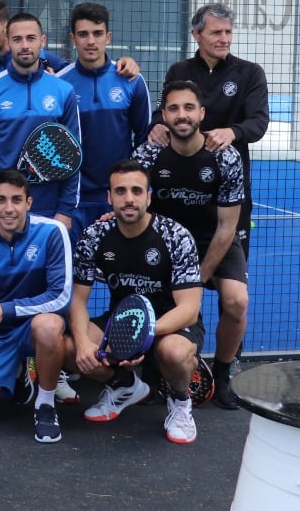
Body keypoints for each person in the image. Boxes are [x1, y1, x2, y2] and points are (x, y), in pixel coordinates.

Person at [69, 160, 204, 445]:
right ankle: (124, 386)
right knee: (68, 348)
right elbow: (78, 300)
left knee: (174, 353)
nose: (128, 198)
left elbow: (189, 310)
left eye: (136, 191)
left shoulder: (175, 236)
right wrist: (83, 342)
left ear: (148, 196)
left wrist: (140, 336)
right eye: (120, 191)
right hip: (123, 320)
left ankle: (180, 403)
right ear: (109, 197)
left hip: (171, 324)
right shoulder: (94, 237)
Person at [134, 80, 248, 408]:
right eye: (173, 108)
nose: (181, 115)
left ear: (201, 113)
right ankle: (151, 370)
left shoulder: (225, 156)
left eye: (188, 108)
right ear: (164, 115)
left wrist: (197, 279)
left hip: (214, 239)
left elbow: (228, 226)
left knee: (237, 301)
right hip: (165, 242)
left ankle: (223, 374)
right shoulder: (148, 153)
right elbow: (137, 206)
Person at [0, 170, 73, 442]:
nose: (9, 208)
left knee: (48, 325)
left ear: (28, 203)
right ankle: (20, 374)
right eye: (1, 200)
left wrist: (3, 310)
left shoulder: (52, 232)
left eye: (16, 200)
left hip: (37, 328)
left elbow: (60, 296)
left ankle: (45, 404)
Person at [151, 2, 269, 262]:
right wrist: (157, 124)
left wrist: (232, 132)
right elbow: (162, 111)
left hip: (230, 185)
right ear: (197, 35)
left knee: (232, 290)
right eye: (216, 33)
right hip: (182, 183)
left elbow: (258, 123)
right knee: (174, 265)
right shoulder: (179, 71)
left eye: (228, 32)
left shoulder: (250, 73)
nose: (224, 39)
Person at [0, 12, 82, 229]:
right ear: (7, 42)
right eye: (17, 39)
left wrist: (65, 211)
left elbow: (74, 155)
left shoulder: (64, 91)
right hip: (4, 214)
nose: (24, 45)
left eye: (31, 38)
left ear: (42, 41)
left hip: (50, 215)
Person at [56, 2, 151, 234]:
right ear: (73, 38)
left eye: (97, 34)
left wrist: (138, 192)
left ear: (108, 37)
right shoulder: (59, 85)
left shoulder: (132, 81)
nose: (91, 41)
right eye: (83, 34)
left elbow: (144, 143)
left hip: (119, 199)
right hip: (74, 202)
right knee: (77, 268)